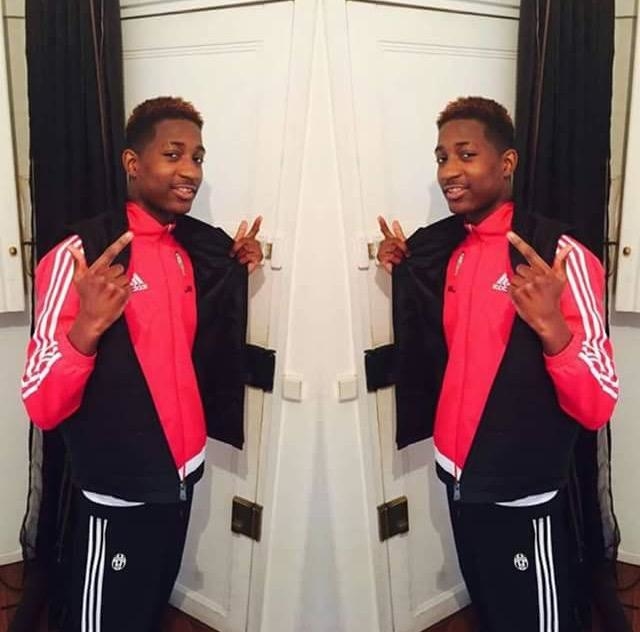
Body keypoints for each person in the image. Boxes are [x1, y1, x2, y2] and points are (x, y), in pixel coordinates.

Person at [20, 96, 263, 632]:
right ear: (133, 163)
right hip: (118, 488)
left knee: (146, 611)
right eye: (173, 154)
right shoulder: (80, 255)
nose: (190, 171)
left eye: (197, 157)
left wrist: (236, 264)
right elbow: (40, 402)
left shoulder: (185, 251)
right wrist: (86, 327)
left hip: (180, 477)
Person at [377, 96, 618, 632]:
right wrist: (403, 262)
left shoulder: (559, 256)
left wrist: (552, 327)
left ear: (506, 163)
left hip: (521, 488)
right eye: (442, 157)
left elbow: (599, 403)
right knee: (493, 611)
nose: (449, 171)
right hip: (460, 477)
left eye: (466, 154)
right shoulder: (453, 251)